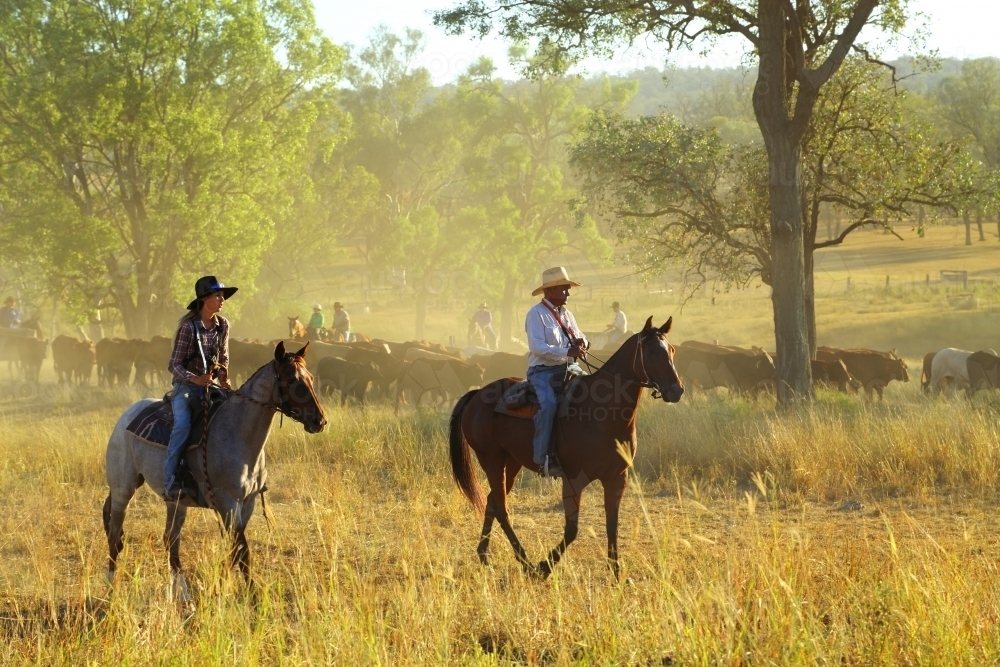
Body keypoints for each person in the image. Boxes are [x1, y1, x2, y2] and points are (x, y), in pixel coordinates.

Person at [164, 275, 237, 501]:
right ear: (205, 299)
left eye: (222, 296)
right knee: (183, 426)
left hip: (211, 386)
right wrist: (194, 379)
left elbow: (223, 358)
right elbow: (173, 365)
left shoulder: (222, 325)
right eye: (217, 295)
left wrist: (223, 375)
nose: (222, 299)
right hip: (185, 388)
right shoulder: (188, 328)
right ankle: (170, 482)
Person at [525, 266, 588, 478]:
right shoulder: (536, 314)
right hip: (543, 372)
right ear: (549, 291)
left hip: (570, 368)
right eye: (564, 289)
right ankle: (543, 460)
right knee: (549, 405)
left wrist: (583, 343)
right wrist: (567, 351)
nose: (568, 293)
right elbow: (537, 348)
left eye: (568, 289)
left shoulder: (567, 314)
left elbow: (581, 335)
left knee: (594, 393)